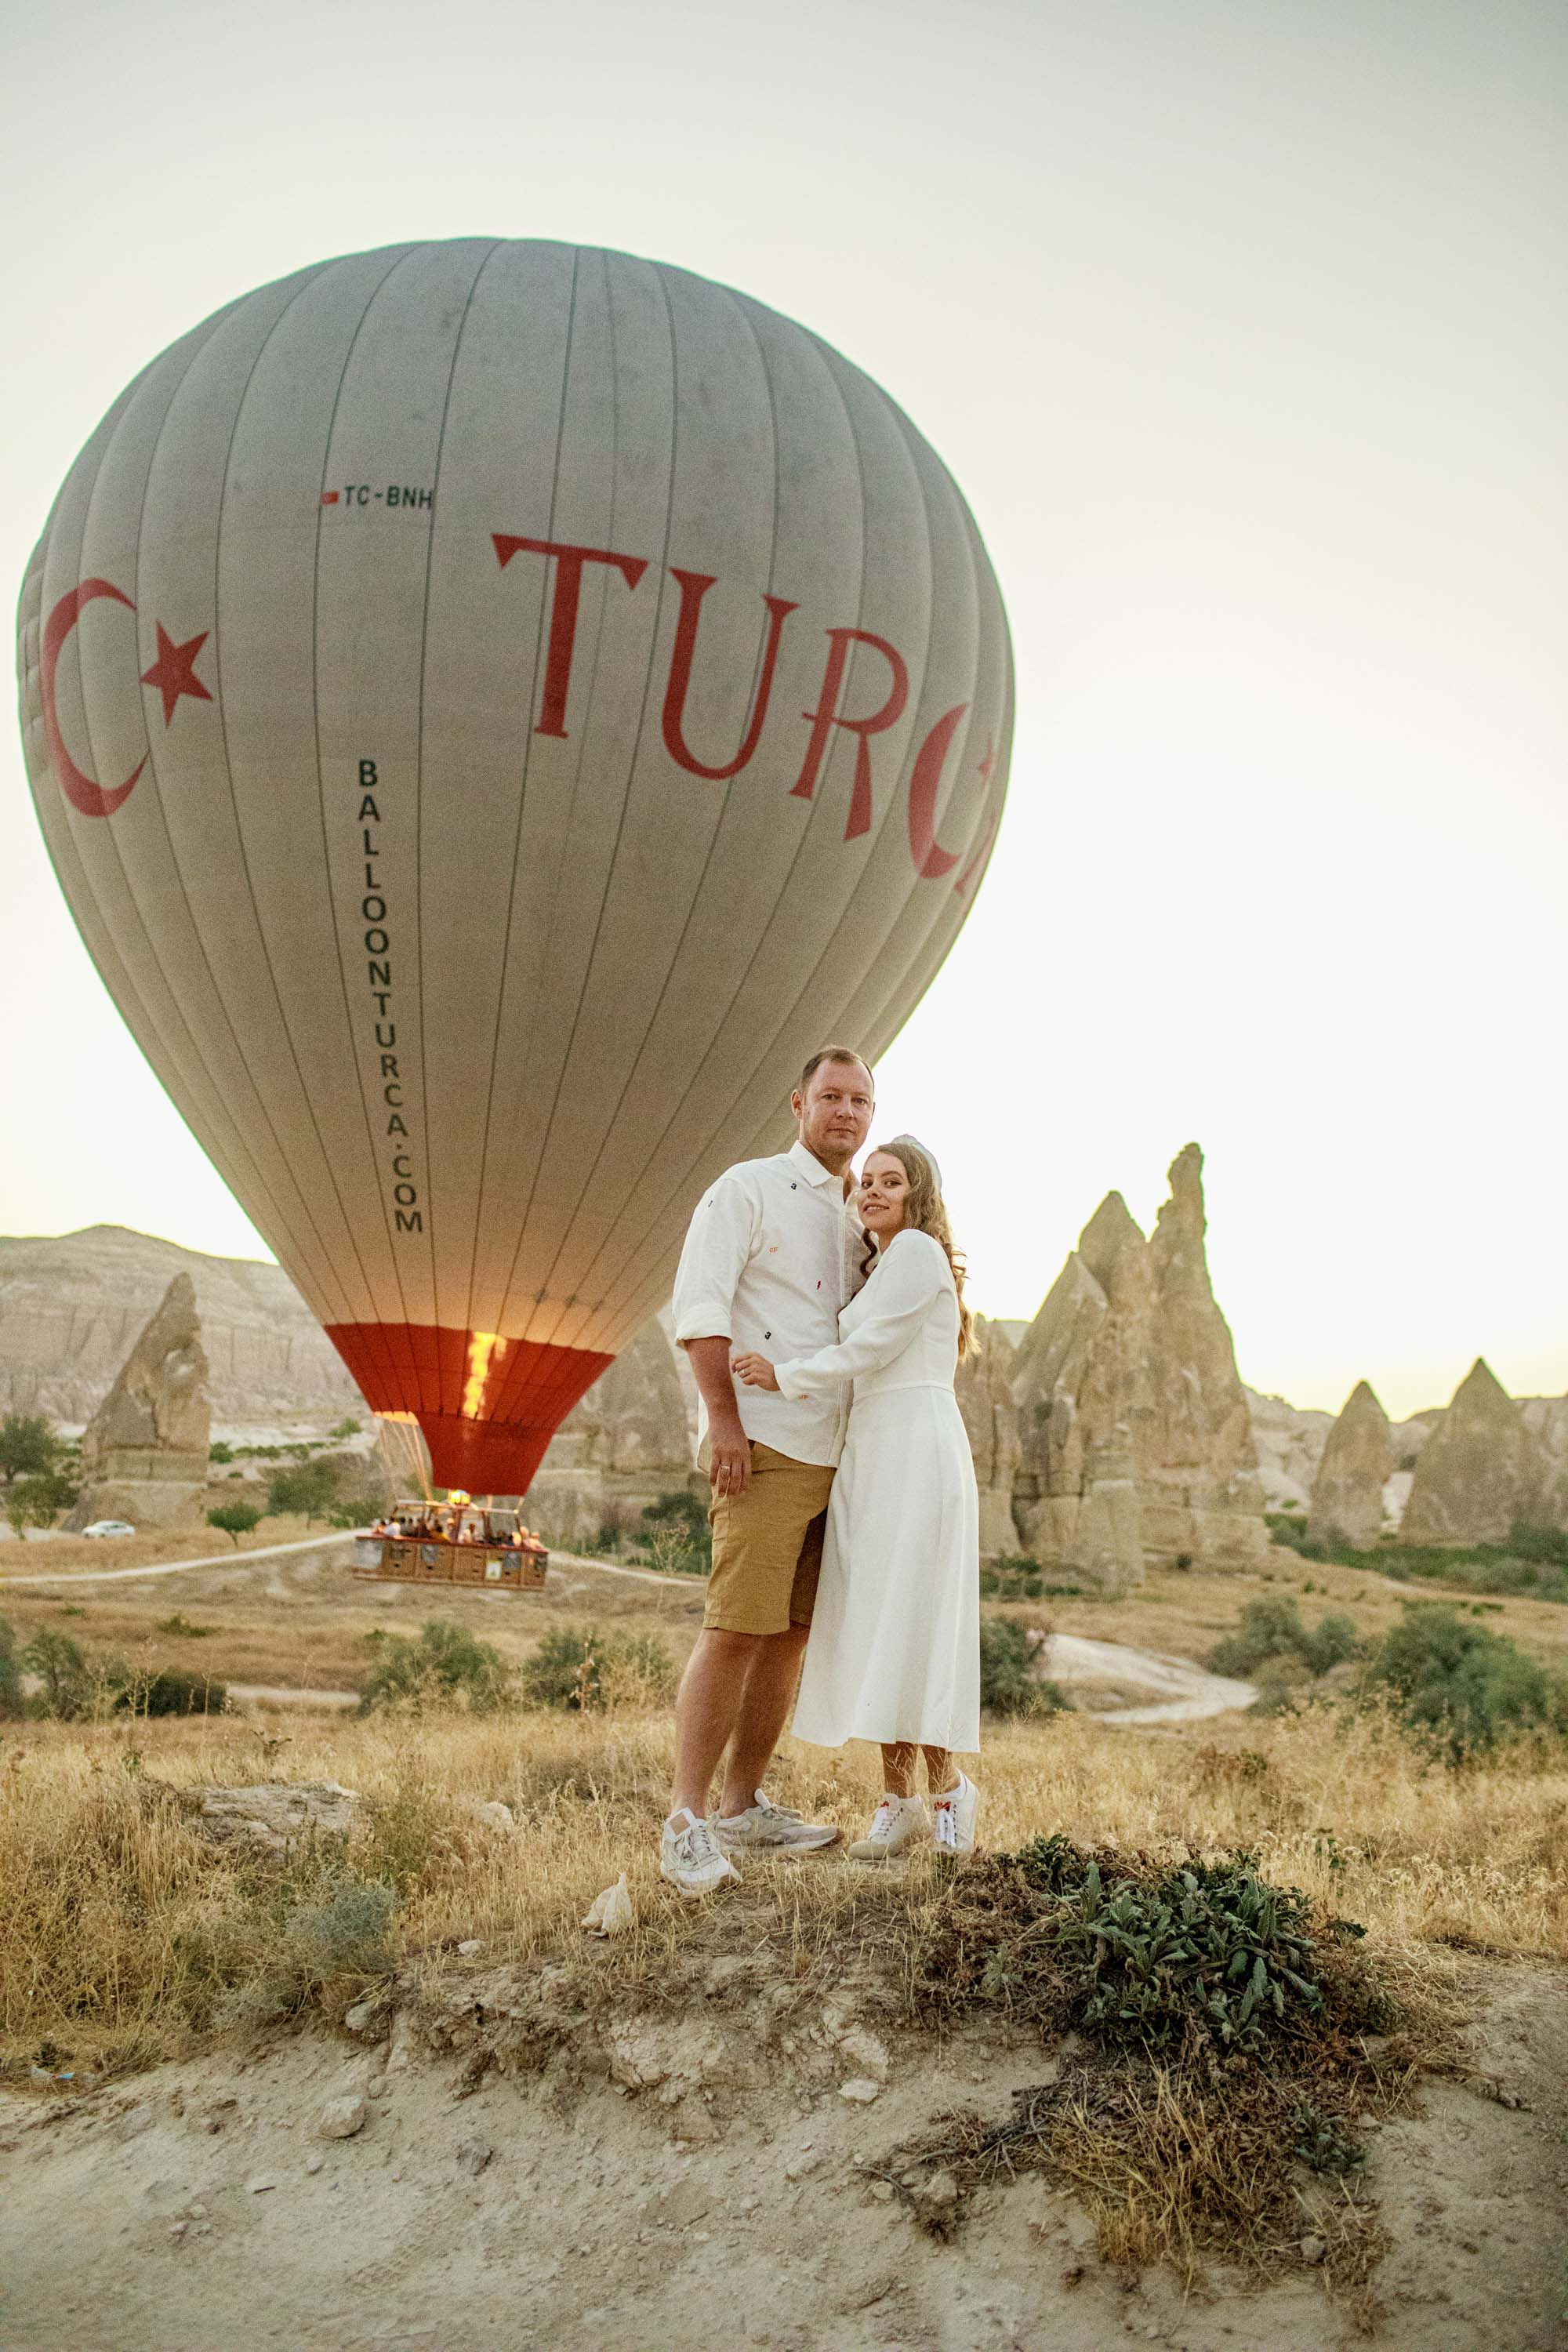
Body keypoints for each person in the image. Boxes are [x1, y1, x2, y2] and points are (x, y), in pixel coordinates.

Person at [662, 1045, 877, 1896]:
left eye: (860, 1101)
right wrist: (724, 1423)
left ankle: (742, 1804)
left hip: (839, 1453)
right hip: (765, 1442)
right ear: (797, 1104)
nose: (846, 1114)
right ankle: (684, 1818)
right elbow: (703, 1311)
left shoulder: (864, 1214)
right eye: (831, 1098)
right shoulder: (744, 1190)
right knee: (734, 1626)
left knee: (788, 1635)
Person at [733, 1137, 982, 1858]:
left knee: (912, 1616)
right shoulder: (882, 1263)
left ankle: (948, 1790)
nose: (871, 1190)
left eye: (891, 1181)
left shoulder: (917, 1254)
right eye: (865, 1180)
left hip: (914, 1445)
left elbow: (869, 1353)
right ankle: (896, 1798)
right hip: (872, 1448)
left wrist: (784, 1375)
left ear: (919, 1194)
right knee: (880, 1620)